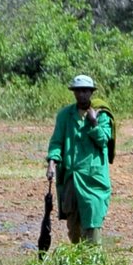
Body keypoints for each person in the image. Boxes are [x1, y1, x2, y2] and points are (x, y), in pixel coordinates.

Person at [45, 74, 113, 244]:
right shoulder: (65, 116)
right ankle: (77, 261)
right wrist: (52, 163)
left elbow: (104, 140)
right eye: (78, 91)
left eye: (85, 91)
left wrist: (94, 123)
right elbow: (56, 142)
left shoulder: (102, 115)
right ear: (74, 93)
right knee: (73, 223)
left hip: (93, 178)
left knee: (93, 219)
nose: (82, 94)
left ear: (91, 92)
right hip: (71, 178)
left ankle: (93, 263)